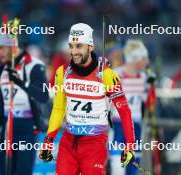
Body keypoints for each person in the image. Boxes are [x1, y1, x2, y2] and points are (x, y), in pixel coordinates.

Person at [39, 23, 135, 175]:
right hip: (69, 142)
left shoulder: (107, 74)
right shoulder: (62, 72)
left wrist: (130, 144)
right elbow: (58, 108)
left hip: (94, 144)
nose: (74, 51)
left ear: (90, 46)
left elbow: (124, 111)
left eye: (79, 46)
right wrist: (48, 140)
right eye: (71, 46)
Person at [0, 19, 49, 175]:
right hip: (7, 130)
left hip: (26, 129)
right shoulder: (3, 69)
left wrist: (21, 83)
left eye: (1, 48)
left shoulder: (34, 66)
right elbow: (2, 105)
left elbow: (43, 96)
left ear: (12, 45)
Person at [110, 39, 154, 175]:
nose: (147, 62)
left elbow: (149, 102)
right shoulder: (115, 75)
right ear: (134, 59)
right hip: (118, 125)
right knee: (117, 167)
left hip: (136, 127)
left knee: (133, 166)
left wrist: (152, 88)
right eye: (144, 58)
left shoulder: (145, 77)